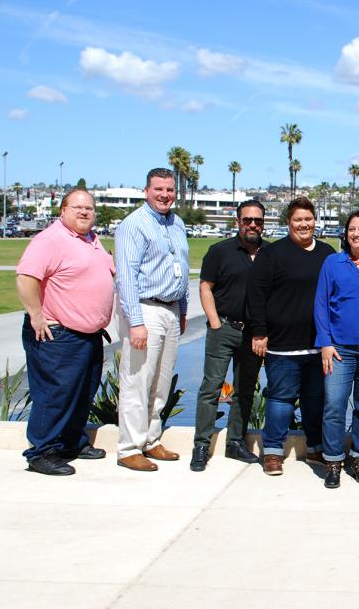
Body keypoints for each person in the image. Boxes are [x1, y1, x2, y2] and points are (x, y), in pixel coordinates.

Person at [16, 190, 114, 476]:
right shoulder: (49, 240)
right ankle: (42, 452)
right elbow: (26, 278)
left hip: (88, 335)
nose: (85, 212)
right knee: (54, 393)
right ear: (63, 210)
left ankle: (71, 442)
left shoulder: (91, 240)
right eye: (78, 207)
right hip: (58, 334)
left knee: (83, 391)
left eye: (90, 208)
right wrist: (37, 315)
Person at [247, 197, 333, 476]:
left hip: (317, 345)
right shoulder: (272, 254)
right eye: (298, 220)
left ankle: (316, 447)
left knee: (315, 399)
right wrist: (259, 332)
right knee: (281, 399)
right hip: (282, 345)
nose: (304, 224)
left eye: (308, 219)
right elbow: (256, 295)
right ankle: (272, 451)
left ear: (315, 221)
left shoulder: (326, 254)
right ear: (288, 223)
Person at [114, 168, 190, 472]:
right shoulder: (134, 225)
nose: (165, 195)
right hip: (145, 309)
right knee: (137, 380)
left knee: (159, 383)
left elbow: (182, 267)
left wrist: (183, 309)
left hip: (170, 309)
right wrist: (135, 321)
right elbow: (127, 277)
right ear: (146, 191)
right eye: (159, 189)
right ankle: (128, 447)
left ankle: (150, 439)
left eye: (170, 190)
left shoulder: (178, 223)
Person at [190, 200, 267, 472]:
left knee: (245, 390)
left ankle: (235, 441)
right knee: (211, 387)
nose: (253, 225)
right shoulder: (219, 251)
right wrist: (214, 323)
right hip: (224, 328)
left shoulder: (270, 253)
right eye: (247, 220)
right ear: (238, 222)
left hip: (254, 334)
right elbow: (205, 287)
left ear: (263, 223)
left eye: (257, 221)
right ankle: (201, 445)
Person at [314, 211, 359, 488]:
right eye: (352, 229)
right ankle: (333, 461)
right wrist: (325, 342)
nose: (356, 234)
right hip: (339, 350)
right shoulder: (333, 263)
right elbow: (321, 304)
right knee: (333, 405)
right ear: (345, 233)